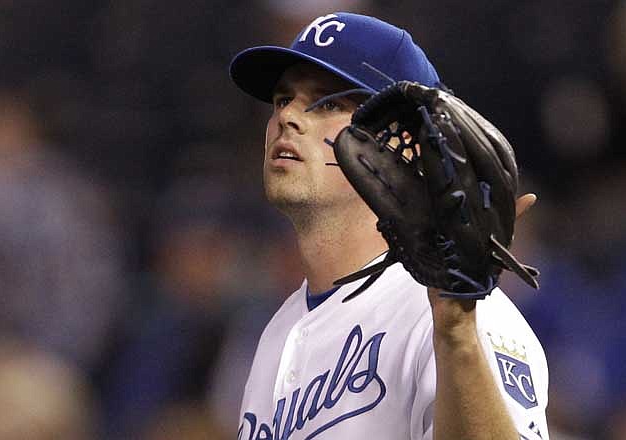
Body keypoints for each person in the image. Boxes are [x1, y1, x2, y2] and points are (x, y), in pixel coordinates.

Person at [229, 12, 548, 440]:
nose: (289, 117)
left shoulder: (460, 313)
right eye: (283, 99)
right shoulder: (277, 331)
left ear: (406, 144)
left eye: (328, 103)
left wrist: (457, 335)